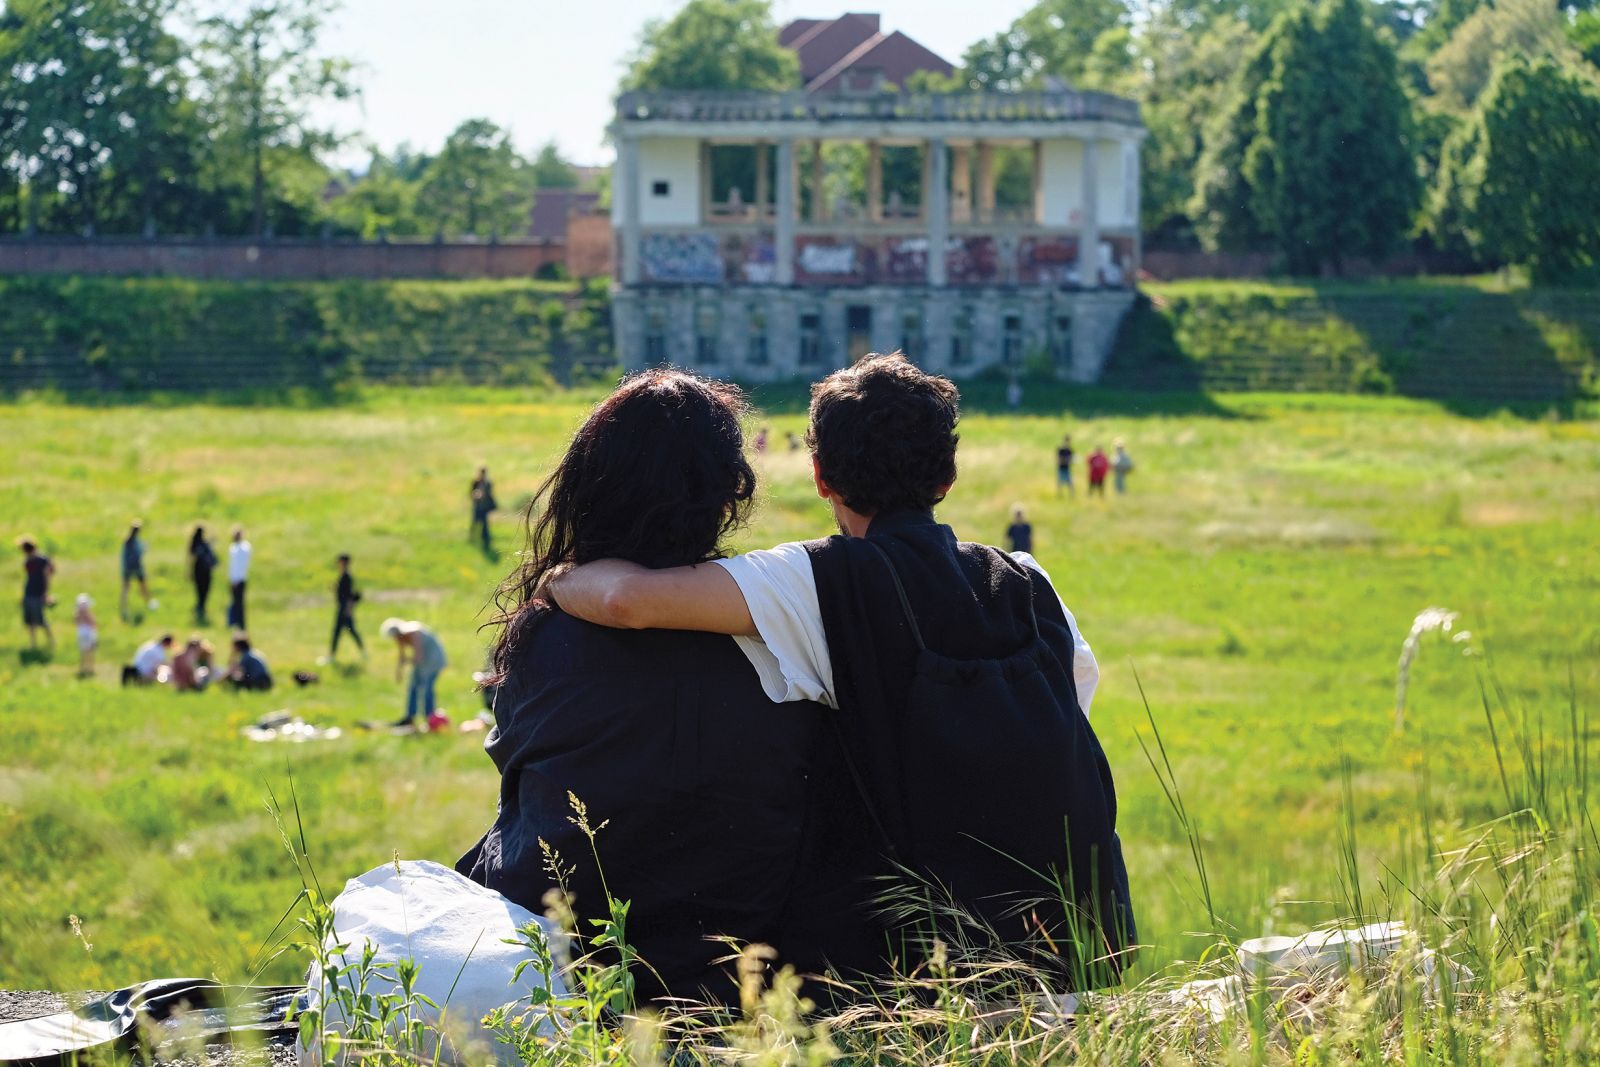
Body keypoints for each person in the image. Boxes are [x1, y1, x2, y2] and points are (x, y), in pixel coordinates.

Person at [552, 354, 1134, 992]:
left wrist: (554, 584)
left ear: (821, 475)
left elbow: (625, 601)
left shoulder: (818, 584)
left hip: (917, 979)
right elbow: (1074, 705)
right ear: (947, 476)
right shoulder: (1029, 581)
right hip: (1075, 952)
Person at [457, 369, 829, 1007]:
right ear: (725, 494)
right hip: (735, 963)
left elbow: (518, 779)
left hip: (568, 960)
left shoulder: (549, 630)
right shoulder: (772, 624)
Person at [380, 618, 448, 728]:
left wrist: (407, 661)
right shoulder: (401, 637)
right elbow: (402, 655)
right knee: (412, 688)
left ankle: (430, 719)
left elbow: (418, 658)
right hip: (424, 660)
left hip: (434, 659)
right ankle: (410, 717)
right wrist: (399, 672)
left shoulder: (414, 633)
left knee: (427, 689)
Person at [326, 554, 364, 661]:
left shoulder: (346, 576)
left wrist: (348, 609)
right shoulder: (344, 575)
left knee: (339, 631)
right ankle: (363, 652)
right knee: (349, 630)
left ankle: (331, 656)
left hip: (344, 608)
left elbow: (349, 595)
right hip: (343, 607)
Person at [19, 537, 54, 651]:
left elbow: (47, 576)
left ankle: (51, 641)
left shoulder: (42, 560)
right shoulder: (28, 561)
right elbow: (28, 578)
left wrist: (46, 593)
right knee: (30, 620)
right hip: (29, 592)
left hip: (38, 593)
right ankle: (33, 643)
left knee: (41, 620)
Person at [120, 521, 152, 620]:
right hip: (135, 567)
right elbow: (137, 554)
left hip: (128, 567)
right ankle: (148, 603)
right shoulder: (132, 541)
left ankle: (124, 606)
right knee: (142, 586)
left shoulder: (130, 540)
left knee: (127, 588)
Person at [188, 525, 217, 625]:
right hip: (204, 572)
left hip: (198, 572)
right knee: (203, 591)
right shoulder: (202, 545)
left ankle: (200, 607)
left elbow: (191, 560)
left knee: (200, 591)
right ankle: (201, 607)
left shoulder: (197, 545)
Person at [227, 528, 251, 629]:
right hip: (233, 578)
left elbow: (241, 565)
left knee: (239, 603)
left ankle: (241, 623)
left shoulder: (244, 547)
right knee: (235, 602)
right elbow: (232, 565)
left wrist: (236, 579)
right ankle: (235, 622)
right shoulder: (233, 547)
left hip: (240, 579)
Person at [469, 467, 497, 554]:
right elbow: (471, 492)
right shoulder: (476, 482)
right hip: (478, 506)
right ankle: (473, 536)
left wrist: (482, 495)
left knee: (484, 523)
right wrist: (475, 495)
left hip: (484, 506)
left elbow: (489, 494)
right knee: (475, 521)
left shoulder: (488, 483)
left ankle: (485, 538)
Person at [73, 594, 97, 677]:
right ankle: (90, 668)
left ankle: (84, 668)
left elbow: (76, 622)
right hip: (88, 635)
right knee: (89, 652)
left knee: (83, 652)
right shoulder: (88, 614)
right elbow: (93, 624)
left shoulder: (77, 615)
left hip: (81, 635)